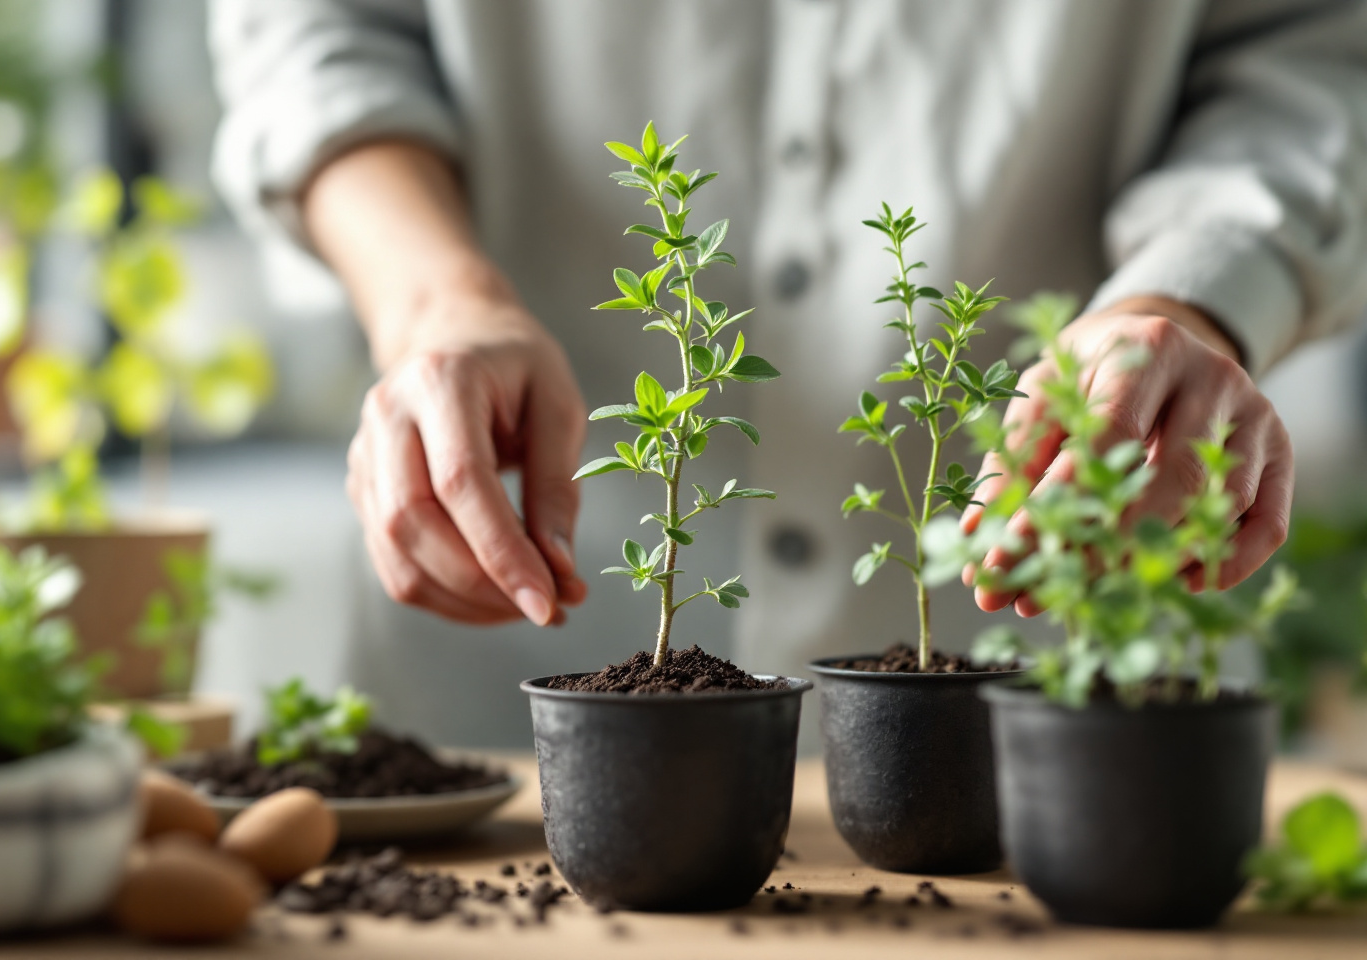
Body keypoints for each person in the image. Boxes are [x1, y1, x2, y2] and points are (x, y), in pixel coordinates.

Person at [209, 0, 1367, 742]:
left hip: (1049, 708)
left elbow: (1315, 52)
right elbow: (314, 33)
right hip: (500, 699)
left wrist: (1195, 300)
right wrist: (433, 302)